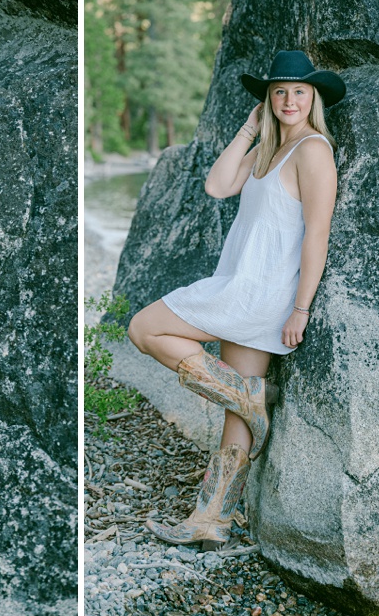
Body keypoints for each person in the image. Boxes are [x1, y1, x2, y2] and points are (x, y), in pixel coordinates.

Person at [128, 50, 345, 550]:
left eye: (299, 91)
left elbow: (317, 234)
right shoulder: (271, 148)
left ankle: (249, 397)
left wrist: (301, 308)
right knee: (236, 417)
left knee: (144, 328)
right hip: (242, 285)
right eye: (279, 92)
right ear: (267, 99)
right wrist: (250, 129)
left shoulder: (313, 150)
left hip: (259, 294)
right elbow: (217, 185)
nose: (289, 100)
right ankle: (212, 520)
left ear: (313, 98)